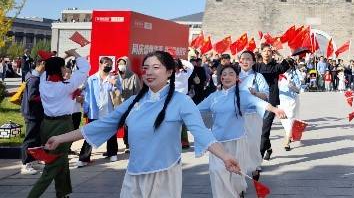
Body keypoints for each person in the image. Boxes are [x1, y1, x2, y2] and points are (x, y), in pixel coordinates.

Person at [44, 51, 241, 198]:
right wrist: (60, 138)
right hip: (134, 174)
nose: (149, 72)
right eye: (146, 68)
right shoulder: (135, 102)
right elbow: (102, 124)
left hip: (164, 174)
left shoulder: (181, 101)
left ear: (170, 72)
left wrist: (225, 156)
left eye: (156, 68)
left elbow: (202, 133)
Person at [198, 64, 286, 197]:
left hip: (237, 142)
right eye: (224, 74)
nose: (227, 77)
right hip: (216, 144)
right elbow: (196, 110)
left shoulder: (243, 95)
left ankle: (237, 193)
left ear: (237, 78)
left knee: (235, 176)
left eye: (231, 74)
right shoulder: (214, 97)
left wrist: (275, 109)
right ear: (220, 78)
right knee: (217, 172)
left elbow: (259, 103)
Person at [27, 49, 90, 198]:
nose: (65, 69)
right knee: (54, 164)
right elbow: (85, 69)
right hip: (63, 126)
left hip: (46, 125)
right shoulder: (66, 85)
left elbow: (50, 66)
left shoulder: (43, 81)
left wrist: (62, 57)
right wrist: (74, 54)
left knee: (62, 161)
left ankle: (63, 193)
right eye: (63, 67)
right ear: (61, 69)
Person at [78, 57, 122, 166]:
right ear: (100, 64)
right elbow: (87, 96)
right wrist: (86, 109)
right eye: (106, 63)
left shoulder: (114, 78)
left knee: (111, 132)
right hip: (95, 111)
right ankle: (84, 158)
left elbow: (119, 92)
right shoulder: (91, 79)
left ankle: (112, 153)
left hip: (109, 110)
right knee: (90, 133)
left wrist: (114, 84)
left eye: (110, 64)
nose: (108, 66)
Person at [252, 43, 291, 161]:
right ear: (261, 52)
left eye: (269, 51)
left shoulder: (276, 66)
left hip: (271, 101)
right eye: (265, 51)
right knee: (258, 130)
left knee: (264, 130)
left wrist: (279, 54)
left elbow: (287, 63)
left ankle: (257, 160)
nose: (267, 53)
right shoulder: (257, 67)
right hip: (257, 101)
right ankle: (268, 148)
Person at [237, 50, 269, 180]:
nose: (245, 61)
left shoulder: (258, 77)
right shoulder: (233, 75)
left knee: (252, 144)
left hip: (253, 116)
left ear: (253, 62)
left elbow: (266, 95)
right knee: (239, 146)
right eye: (243, 59)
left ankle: (255, 167)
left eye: (248, 59)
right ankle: (240, 181)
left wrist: (255, 93)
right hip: (236, 116)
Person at [20, 58, 45, 175]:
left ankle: (33, 160)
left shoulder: (34, 76)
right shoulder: (34, 79)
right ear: (42, 64)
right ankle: (25, 164)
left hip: (36, 113)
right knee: (29, 139)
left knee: (36, 138)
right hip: (32, 113)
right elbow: (32, 97)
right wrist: (46, 97)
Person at [117, 56, 142, 153]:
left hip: (130, 105)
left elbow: (138, 91)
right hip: (118, 105)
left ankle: (129, 144)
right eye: (119, 64)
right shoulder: (116, 76)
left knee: (129, 126)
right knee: (118, 125)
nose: (121, 66)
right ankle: (111, 149)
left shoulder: (133, 76)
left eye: (123, 64)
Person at [278, 67, 301, 151]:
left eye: (288, 65)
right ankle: (289, 134)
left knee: (290, 119)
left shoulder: (295, 74)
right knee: (284, 120)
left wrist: (292, 86)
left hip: (291, 101)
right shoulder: (279, 74)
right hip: (281, 101)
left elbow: (298, 90)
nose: (286, 66)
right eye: (285, 64)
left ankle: (287, 141)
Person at [174, 57, 194, 148]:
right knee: (182, 121)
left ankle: (177, 141)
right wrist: (181, 61)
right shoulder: (185, 73)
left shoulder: (170, 75)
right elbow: (191, 66)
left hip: (173, 100)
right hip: (183, 99)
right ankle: (184, 141)